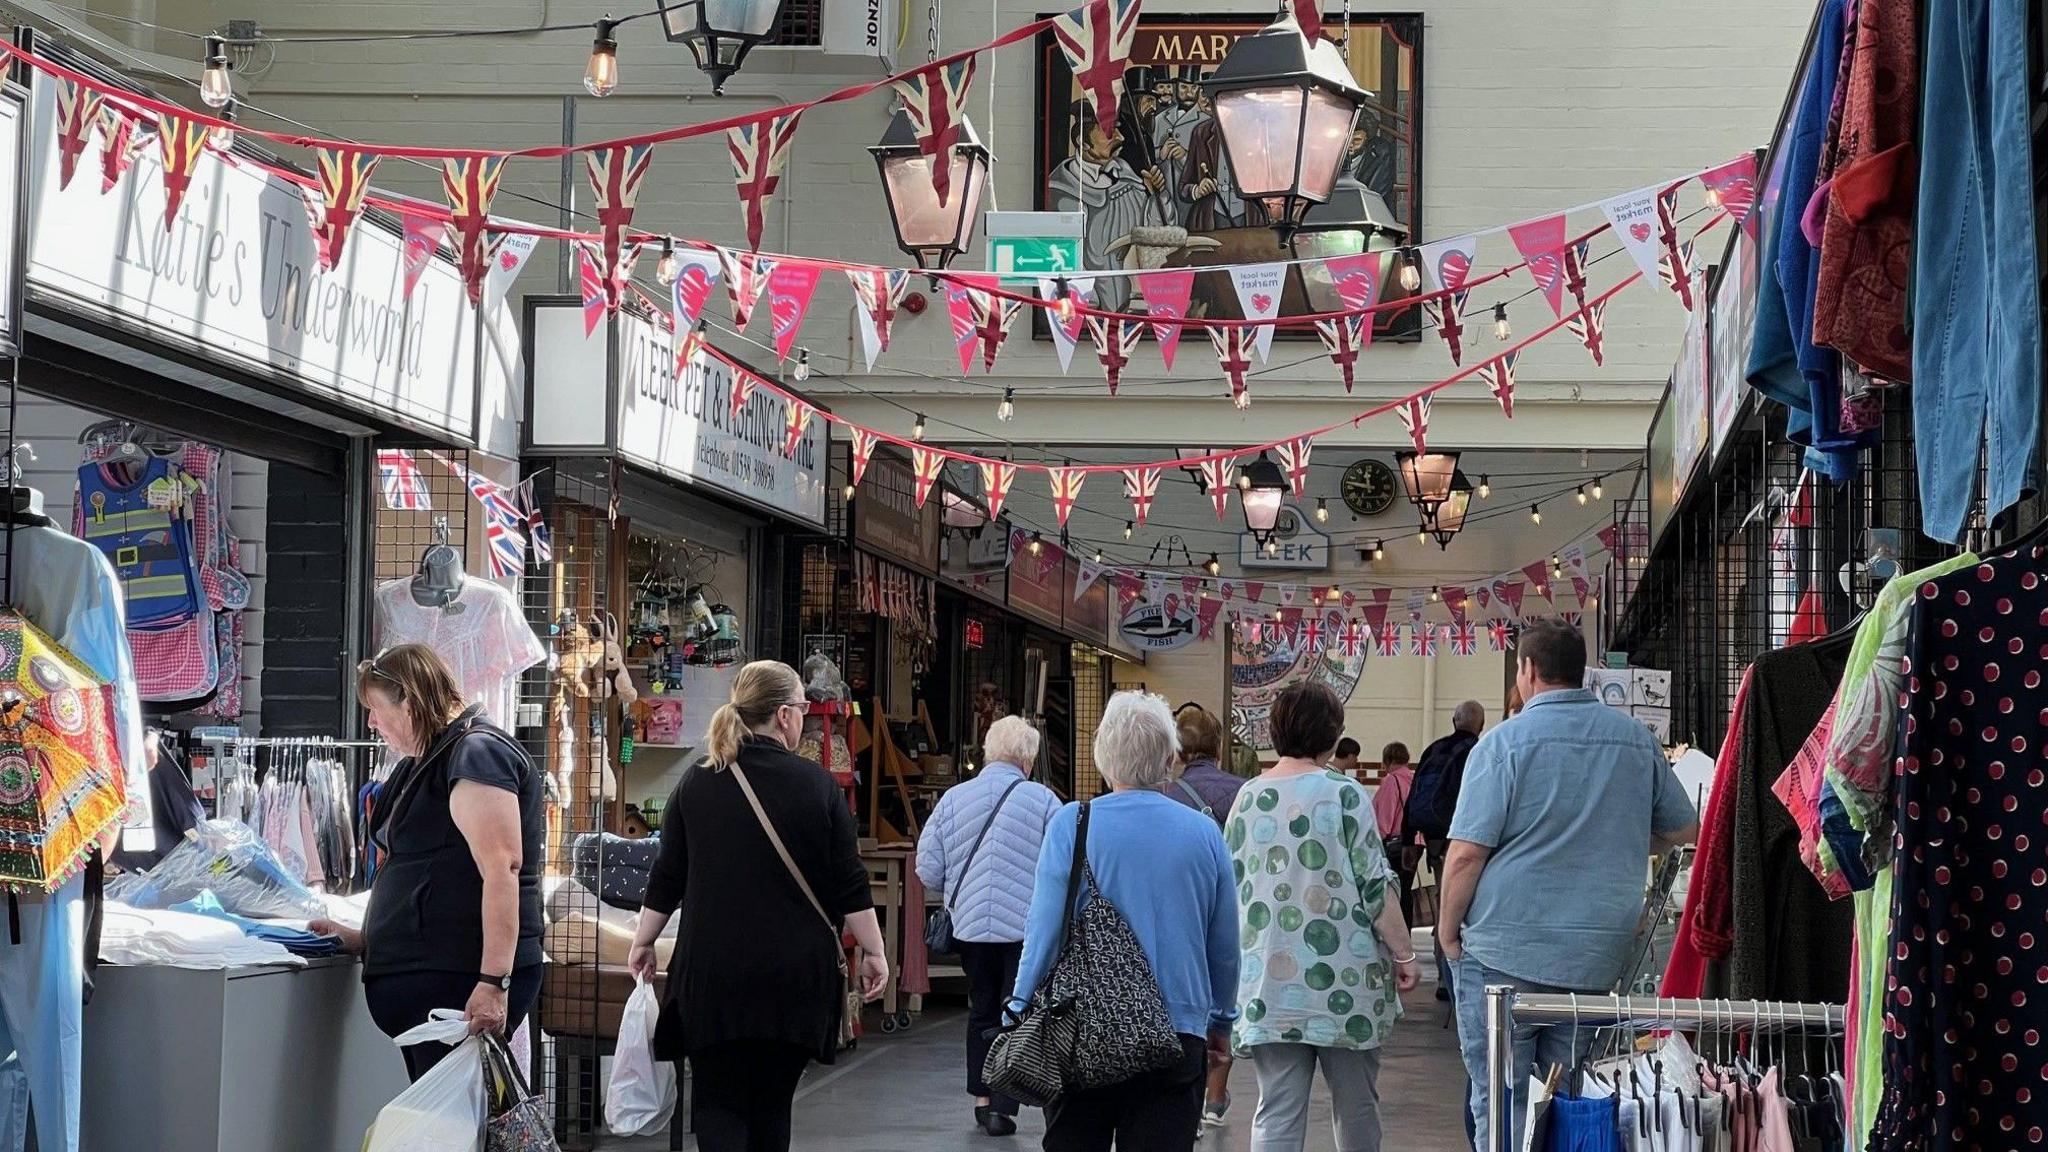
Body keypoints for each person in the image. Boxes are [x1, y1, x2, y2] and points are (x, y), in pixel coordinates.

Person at [1438, 619, 1698, 1152]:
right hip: (1594, 958)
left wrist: (1446, 933)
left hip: (1502, 954)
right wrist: (1621, 839)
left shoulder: (1501, 745)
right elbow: (1685, 830)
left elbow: (1466, 855)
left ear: (1528, 670)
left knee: (1502, 1098)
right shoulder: (1634, 741)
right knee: (1572, 1099)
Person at [627, 661, 890, 1152]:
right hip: (792, 980)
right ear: (786, 716)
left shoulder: (698, 783)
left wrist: (643, 941)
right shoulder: (818, 787)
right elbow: (849, 882)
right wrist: (874, 952)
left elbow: (667, 876)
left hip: (711, 976)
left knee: (717, 1102)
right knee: (772, 1105)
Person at [1012, 691, 1240, 1152]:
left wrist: (1018, 1003)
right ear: (1169, 758)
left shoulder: (1072, 824)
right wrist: (1221, 1021)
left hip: (1081, 1026)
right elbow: (1225, 945)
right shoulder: (1204, 833)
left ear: (1102, 757)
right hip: (1177, 1031)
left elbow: (1045, 929)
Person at [311, 644, 545, 1081]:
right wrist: (367, 938)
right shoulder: (426, 759)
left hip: (459, 978)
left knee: (457, 1127)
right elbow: (428, 871)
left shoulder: (477, 753)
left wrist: (494, 982)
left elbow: (502, 868)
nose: (370, 723)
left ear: (411, 701)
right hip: (431, 977)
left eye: (375, 709)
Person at [1228, 683, 1419, 1152]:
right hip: (1346, 984)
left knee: (1275, 1108)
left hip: (1268, 980)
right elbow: (1375, 886)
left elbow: (1231, 891)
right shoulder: (1345, 794)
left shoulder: (1247, 799)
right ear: (1332, 734)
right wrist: (1405, 952)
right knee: (1355, 1106)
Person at [916, 716, 1062, 1137]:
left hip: (970, 928)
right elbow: (1061, 867)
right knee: (1016, 1009)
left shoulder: (954, 798)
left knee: (980, 1006)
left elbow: (927, 867)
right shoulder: (1044, 801)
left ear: (987, 753)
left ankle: (982, 1098)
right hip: (1025, 929)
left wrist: (958, 895)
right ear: (1028, 760)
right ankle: (1004, 1103)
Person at [1163, 704, 1245, 1127]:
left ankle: (1190, 1104)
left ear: (1177, 752)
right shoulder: (1244, 793)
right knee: (1225, 1000)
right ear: (1218, 747)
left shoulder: (1165, 797)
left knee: (1186, 1003)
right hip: (1235, 913)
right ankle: (1215, 1097)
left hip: (1182, 918)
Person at [1409, 700, 1485, 1002]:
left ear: (1454, 721)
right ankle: (1464, 977)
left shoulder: (1434, 750)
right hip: (1470, 840)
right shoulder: (1480, 751)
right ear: (1480, 724)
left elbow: (1414, 793)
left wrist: (1408, 842)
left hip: (1436, 841)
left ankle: (1445, 977)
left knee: (1446, 903)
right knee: (1471, 906)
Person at [1371, 742, 1419, 923]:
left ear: (1388, 760)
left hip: (1395, 843)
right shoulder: (1415, 779)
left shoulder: (1392, 780)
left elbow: (1384, 817)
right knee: (1406, 889)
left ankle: (1395, 934)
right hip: (1417, 841)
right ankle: (1406, 932)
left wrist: (1377, 842)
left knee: (1393, 891)